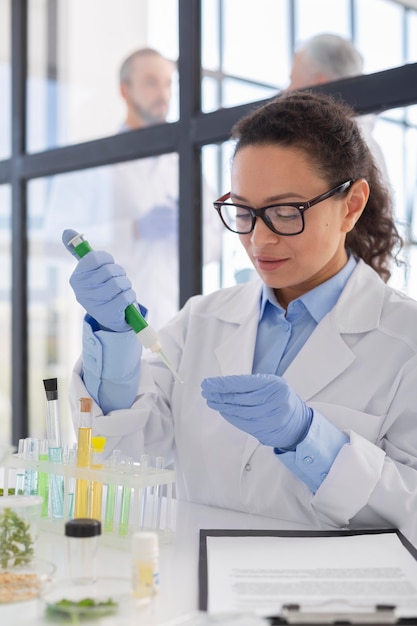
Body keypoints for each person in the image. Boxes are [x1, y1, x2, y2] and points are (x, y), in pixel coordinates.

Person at [66, 90, 417, 547]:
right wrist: (114, 341)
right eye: (244, 212)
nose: (259, 239)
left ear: (351, 205)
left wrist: (310, 440)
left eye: (286, 212)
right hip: (193, 597)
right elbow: (125, 453)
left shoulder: (404, 338)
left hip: (323, 604)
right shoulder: (202, 319)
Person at [44, 48, 220, 330]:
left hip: (180, 321)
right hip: (112, 324)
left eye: (167, 83)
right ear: (125, 90)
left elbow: (216, 244)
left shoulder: (185, 163)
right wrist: (134, 230)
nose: (163, 93)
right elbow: (53, 242)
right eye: (151, 82)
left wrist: (189, 232)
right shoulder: (95, 160)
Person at [287, 33, 389, 184]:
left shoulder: (330, 145)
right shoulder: (369, 146)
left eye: (292, 81)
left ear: (317, 84)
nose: (286, 91)